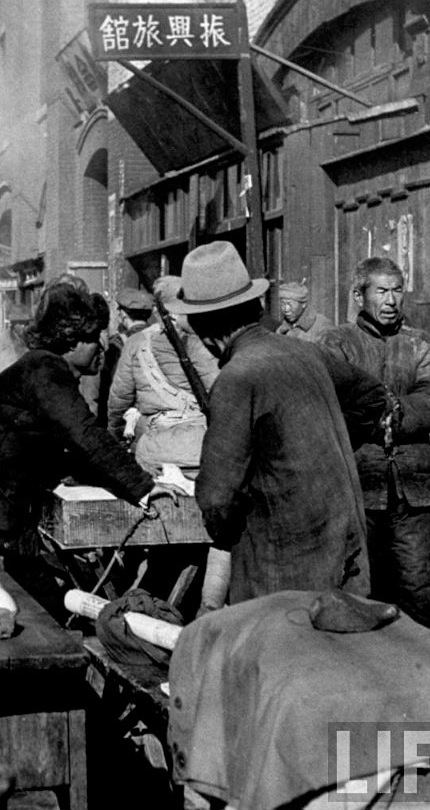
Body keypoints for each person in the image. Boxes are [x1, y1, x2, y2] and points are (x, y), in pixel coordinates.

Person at [0, 286, 177, 614]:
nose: (101, 346)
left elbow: (69, 447)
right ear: (71, 341)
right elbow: (86, 436)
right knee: (21, 610)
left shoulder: (41, 368)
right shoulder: (45, 371)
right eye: (94, 337)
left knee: (42, 602)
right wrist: (145, 489)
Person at [164, 241, 387, 604]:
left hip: (283, 575)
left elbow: (216, 500)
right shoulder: (306, 352)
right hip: (347, 553)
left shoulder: (237, 378)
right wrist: (321, 442)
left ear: (207, 333)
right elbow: (374, 397)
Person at [319, 257, 430, 631]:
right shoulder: (337, 343)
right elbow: (335, 402)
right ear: (360, 295)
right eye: (381, 291)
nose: (391, 300)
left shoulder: (419, 344)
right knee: (360, 588)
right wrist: (380, 416)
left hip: (413, 493)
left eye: (397, 290)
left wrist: (394, 415)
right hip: (359, 489)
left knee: (420, 589)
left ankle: (427, 670)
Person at [108, 277, 219, 471]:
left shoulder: (135, 343)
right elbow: (220, 393)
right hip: (203, 446)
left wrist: (116, 438)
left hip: (156, 449)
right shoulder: (202, 342)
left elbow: (119, 402)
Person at [97, 288, 156, 428]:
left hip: (128, 419)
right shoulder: (160, 338)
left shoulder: (118, 344)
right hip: (154, 415)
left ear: (122, 314)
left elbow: (108, 387)